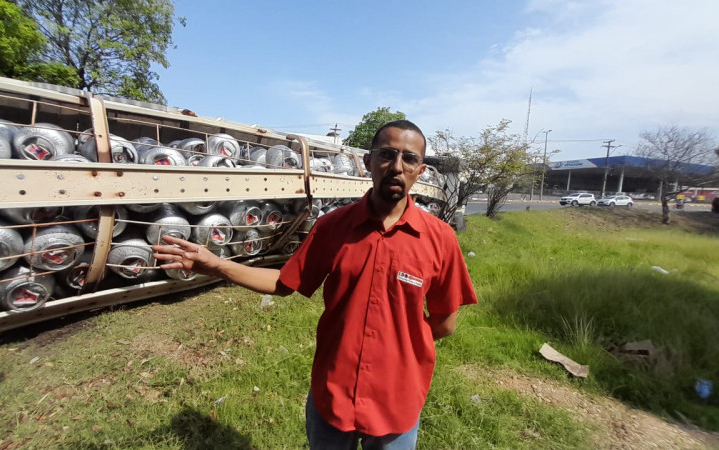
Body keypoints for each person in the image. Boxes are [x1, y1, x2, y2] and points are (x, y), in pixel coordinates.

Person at [153, 120, 478, 449]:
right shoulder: (332, 228)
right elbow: (284, 281)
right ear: (368, 162)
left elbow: (444, 323)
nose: (396, 166)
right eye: (386, 154)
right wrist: (216, 265)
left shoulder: (439, 239)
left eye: (409, 159)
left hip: (397, 398)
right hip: (334, 392)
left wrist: (399, 340)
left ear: (420, 170)